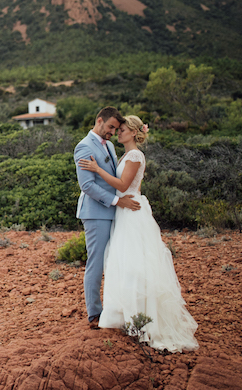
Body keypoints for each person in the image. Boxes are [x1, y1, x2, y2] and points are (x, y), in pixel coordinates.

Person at [78, 115, 199, 352]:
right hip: (123, 210)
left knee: (134, 263)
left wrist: (97, 170)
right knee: (122, 262)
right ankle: (124, 313)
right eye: (116, 129)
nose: (118, 132)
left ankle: (140, 314)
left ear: (134, 132)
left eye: (122, 129)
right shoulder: (123, 154)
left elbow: (124, 185)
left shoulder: (134, 155)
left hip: (129, 211)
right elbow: (132, 185)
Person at [74, 106, 140, 330]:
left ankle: (117, 309)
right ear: (99, 121)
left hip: (115, 212)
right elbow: (87, 185)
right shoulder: (84, 147)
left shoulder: (110, 146)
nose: (113, 132)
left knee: (116, 260)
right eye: (110, 127)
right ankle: (94, 313)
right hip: (96, 213)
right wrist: (117, 201)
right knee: (96, 262)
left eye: (116, 129)